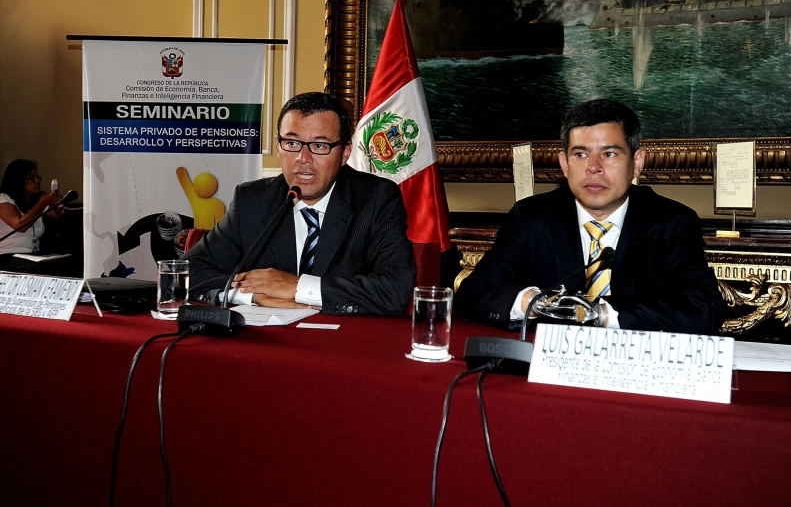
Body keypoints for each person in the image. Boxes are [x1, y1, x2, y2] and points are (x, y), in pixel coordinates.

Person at [456, 99, 725, 335]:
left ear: (638, 162)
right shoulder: (532, 218)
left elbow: (705, 309)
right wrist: (532, 302)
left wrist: (601, 314)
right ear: (564, 164)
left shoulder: (671, 222)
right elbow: (472, 294)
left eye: (609, 154)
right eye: (581, 154)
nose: (593, 168)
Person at [187, 92, 417, 315]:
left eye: (319, 146)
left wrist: (297, 287)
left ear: (345, 153)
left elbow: (394, 290)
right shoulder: (252, 200)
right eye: (292, 143)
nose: (303, 159)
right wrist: (249, 295)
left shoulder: (376, 198)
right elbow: (187, 272)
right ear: (278, 145)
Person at [0, 159, 63, 271]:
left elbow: (61, 217)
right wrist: (42, 203)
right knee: (39, 271)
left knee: (63, 265)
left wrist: (58, 206)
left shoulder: (36, 201)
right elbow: (21, 225)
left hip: (34, 256)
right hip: (8, 256)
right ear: (17, 179)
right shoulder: (3, 199)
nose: (37, 181)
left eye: (37, 177)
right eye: (32, 178)